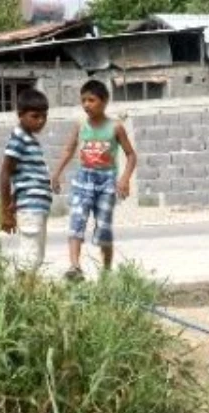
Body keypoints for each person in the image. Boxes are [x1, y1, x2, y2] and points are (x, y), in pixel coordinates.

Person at [51, 79, 138, 281]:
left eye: (92, 100)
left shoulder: (115, 127)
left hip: (107, 182)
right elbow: (68, 149)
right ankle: (75, 267)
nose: (86, 105)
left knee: (104, 228)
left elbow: (131, 155)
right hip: (84, 179)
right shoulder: (81, 125)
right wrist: (56, 173)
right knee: (77, 221)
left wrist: (124, 179)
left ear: (104, 101)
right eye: (83, 100)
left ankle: (106, 273)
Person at [0, 88, 52, 274]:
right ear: (20, 115)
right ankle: (21, 297)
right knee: (29, 258)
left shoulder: (29, 139)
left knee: (36, 257)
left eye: (44, 116)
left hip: (36, 206)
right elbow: (5, 173)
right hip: (31, 209)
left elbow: (23, 177)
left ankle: (27, 296)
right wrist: (5, 212)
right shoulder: (19, 139)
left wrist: (15, 199)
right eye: (35, 116)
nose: (41, 121)